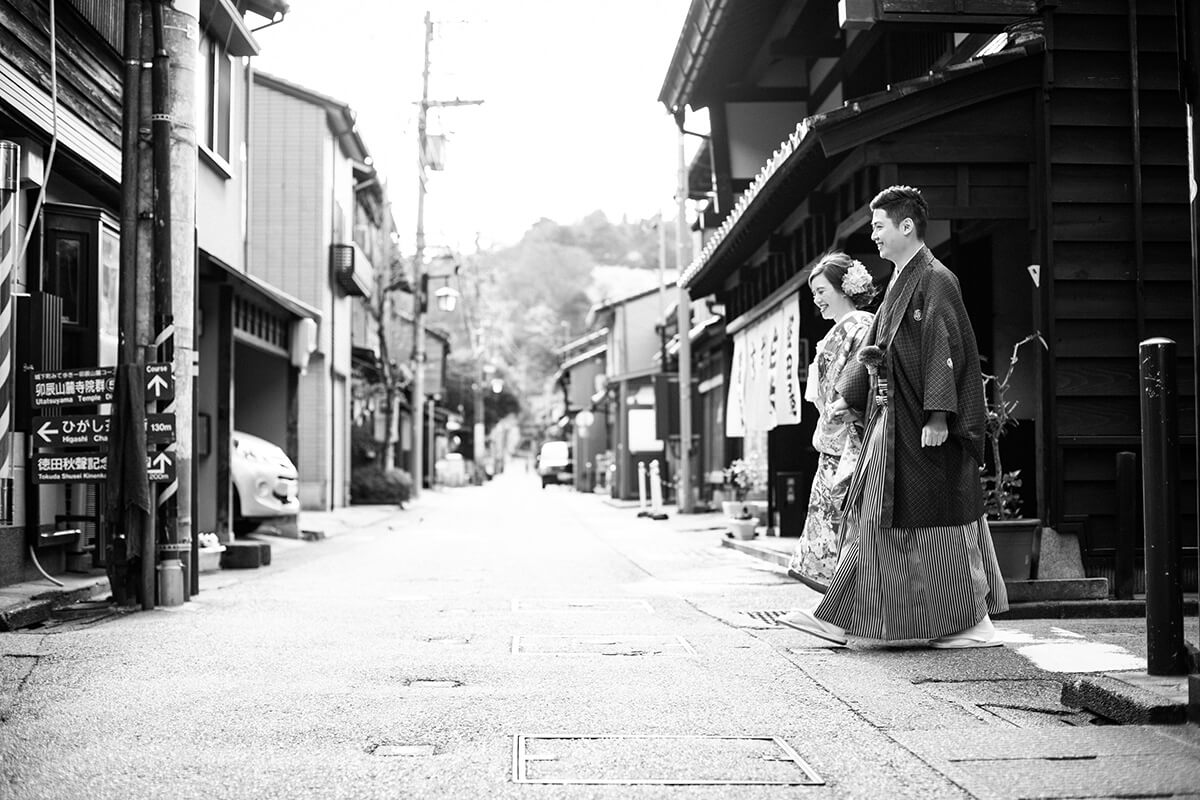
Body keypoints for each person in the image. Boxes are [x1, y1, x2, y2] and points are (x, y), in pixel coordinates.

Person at [780, 185, 1009, 648]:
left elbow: (944, 350)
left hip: (919, 425)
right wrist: (850, 393)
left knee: (911, 523)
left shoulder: (936, 278)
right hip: (894, 422)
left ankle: (852, 621)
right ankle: (948, 623)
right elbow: (879, 350)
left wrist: (939, 416)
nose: (874, 235)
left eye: (879, 226)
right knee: (888, 521)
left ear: (907, 226)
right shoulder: (905, 277)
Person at [785, 252, 876, 592]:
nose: (817, 299)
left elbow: (865, 374)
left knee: (846, 517)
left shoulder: (861, 325)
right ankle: (839, 599)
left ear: (843, 288)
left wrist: (848, 404)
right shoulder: (840, 330)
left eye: (822, 291)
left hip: (852, 437)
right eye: (814, 294)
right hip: (833, 438)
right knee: (829, 516)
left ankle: (848, 599)